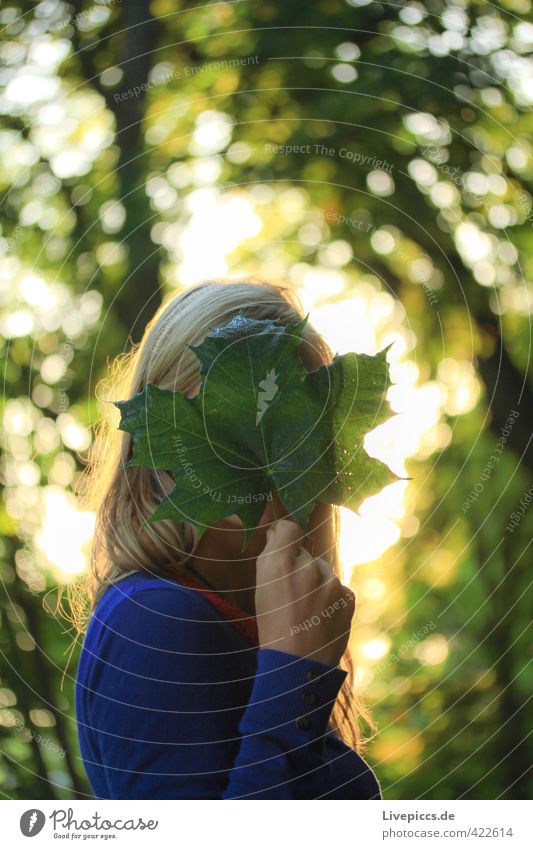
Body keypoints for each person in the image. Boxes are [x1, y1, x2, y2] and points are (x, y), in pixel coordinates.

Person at [74, 278, 381, 799]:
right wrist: (294, 682)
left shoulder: (237, 624)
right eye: (226, 417)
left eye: (293, 423)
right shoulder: (155, 622)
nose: (259, 451)